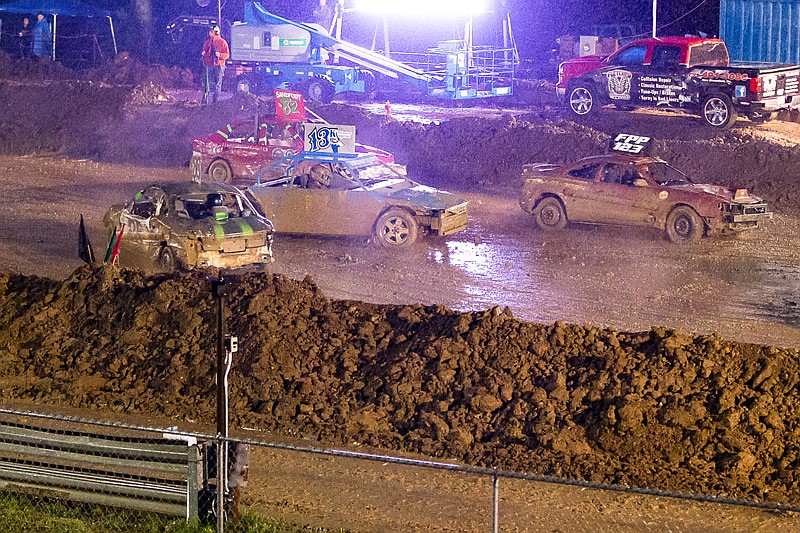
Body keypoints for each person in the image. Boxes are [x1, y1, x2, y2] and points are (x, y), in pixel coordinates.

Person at [201, 26, 230, 105]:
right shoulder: (208, 42)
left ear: (215, 32)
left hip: (218, 65)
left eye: (211, 31)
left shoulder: (222, 42)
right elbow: (204, 51)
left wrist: (219, 55)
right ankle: (205, 102)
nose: (209, 33)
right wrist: (204, 53)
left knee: (216, 84)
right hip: (209, 65)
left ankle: (214, 102)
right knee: (208, 84)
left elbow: (227, 55)